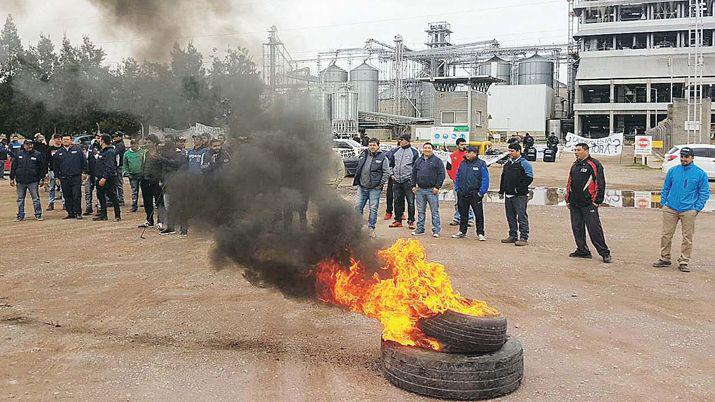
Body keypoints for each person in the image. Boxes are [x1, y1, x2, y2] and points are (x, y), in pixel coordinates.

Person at [653, 147, 710, 272]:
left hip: (689, 210)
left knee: (687, 237)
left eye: (686, 157)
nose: (683, 159)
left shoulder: (700, 174)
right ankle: (665, 258)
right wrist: (664, 203)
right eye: (682, 156)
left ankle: (684, 261)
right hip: (671, 208)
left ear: (692, 158)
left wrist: (696, 208)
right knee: (666, 235)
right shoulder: (673, 171)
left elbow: (704, 193)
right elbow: (666, 188)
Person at [565, 143, 611, 263]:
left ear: (586, 151)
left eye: (578, 150)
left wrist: (596, 201)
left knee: (594, 229)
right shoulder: (575, 165)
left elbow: (600, 183)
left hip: (588, 204)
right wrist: (568, 199)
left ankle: (604, 253)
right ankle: (582, 250)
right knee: (577, 228)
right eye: (575, 150)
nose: (576, 152)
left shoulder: (594, 164)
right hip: (574, 203)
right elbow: (569, 182)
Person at [353, 138, 390, 238]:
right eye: (370, 145)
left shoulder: (383, 157)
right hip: (362, 186)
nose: (372, 147)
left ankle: (371, 229)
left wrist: (380, 184)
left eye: (374, 145)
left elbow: (387, 172)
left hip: (374, 188)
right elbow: (359, 168)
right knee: (358, 207)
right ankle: (357, 228)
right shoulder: (364, 154)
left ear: (378, 146)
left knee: (373, 209)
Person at [499, 143, 533, 246]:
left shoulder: (525, 163)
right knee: (510, 216)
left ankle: (523, 237)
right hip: (508, 195)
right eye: (509, 150)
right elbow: (503, 177)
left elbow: (529, 178)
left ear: (518, 151)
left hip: (520, 196)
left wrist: (518, 189)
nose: (510, 153)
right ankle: (513, 235)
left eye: (512, 151)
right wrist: (502, 191)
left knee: (521, 216)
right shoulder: (507, 163)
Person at [451, 146, 489, 241]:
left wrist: (481, 192)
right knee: (463, 213)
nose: (466, 154)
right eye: (466, 152)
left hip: (475, 193)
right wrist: (457, 189)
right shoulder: (463, 163)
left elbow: (485, 179)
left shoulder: (481, 164)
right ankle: (462, 231)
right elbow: (458, 176)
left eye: (468, 152)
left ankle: (480, 233)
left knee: (478, 213)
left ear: (475, 153)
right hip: (463, 192)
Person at [412, 142, 445, 238]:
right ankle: (420, 229)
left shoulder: (437, 161)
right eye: (425, 148)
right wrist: (413, 186)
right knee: (421, 211)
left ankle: (436, 230)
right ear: (422, 149)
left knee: (434, 211)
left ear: (432, 149)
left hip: (432, 190)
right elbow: (413, 174)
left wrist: (437, 187)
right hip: (420, 190)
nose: (427, 149)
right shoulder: (418, 161)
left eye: (429, 148)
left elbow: (441, 174)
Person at [387, 134, 419, 229]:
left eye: (402, 139)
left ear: (408, 140)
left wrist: (413, 180)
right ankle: (398, 220)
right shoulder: (395, 151)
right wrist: (392, 174)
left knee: (410, 201)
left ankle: (411, 221)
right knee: (397, 201)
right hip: (397, 180)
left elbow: (416, 167)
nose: (400, 141)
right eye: (400, 139)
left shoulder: (414, 152)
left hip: (408, 181)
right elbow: (390, 164)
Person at [10, 140, 46, 221]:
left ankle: (38, 214)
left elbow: (42, 168)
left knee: (36, 199)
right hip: (20, 181)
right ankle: (20, 215)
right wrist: (12, 178)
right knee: (20, 199)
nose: (29, 146)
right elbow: (14, 166)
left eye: (31, 144)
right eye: (27, 144)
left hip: (33, 181)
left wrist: (42, 179)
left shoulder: (37, 154)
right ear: (24, 145)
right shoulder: (19, 154)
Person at [53, 134, 87, 220]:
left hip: (76, 177)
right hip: (64, 178)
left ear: (71, 140)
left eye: (67, 139)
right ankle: (70, 213)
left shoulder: (78, 150)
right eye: (64, 139)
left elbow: (84, 162)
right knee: (67, 196)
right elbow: (55, 166)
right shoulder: (59, 152)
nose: (65, 141)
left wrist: (84, 172)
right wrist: (57, 177)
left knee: (76, 195)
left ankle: (78, 213)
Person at [446, 138, 475, 227]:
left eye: (465, 144)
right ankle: (457, 218)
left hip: (468, 182)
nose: (464, 146)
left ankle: (470, 219)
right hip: (457, 182)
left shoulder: (469, 155)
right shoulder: (452, 156)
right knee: (457, 200)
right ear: (457, 145)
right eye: (462, 144)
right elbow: (448, 168)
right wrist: (453, 177)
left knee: (468, 200)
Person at [138, 135, 165, 228]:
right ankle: (149, 220)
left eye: (149, 142)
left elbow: (163, 167)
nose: (147, 144)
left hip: (156, 180)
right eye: (146, 142)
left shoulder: (160, 153)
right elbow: (143, 165)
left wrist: (162, 179)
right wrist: (141, 177)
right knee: (147, 201)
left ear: (154, 143)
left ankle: (160, 221)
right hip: (145, 180)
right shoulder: (145, 153)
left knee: (159, 201)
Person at [93, 134, 121, 222]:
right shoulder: (102, 151)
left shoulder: (110, 152)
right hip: (99, 177)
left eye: (100, 139)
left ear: (103, 141)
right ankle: (103, 215)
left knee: (112, 196)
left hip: (108, 178)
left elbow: (110, 166)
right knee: (100, 196)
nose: (98, 141)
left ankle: (117, 215)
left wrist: (104, 178)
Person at [122, 139, 145, 212]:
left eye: (134, 144)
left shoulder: (143, 152)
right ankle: (134, 206)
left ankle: (146, 203)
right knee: (134, 191)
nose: (133, 146)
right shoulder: (127, 153)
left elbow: (145, 163)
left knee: (144, 190)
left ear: (138, 144)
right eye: (132, 144)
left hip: (142, 175)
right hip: (132, 175)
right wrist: (128, 173)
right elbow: (125, 165)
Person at [45, 134, 64, 211]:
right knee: (52, 187)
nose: (59, 140)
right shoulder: (50, 149)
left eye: (60, 139)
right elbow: (47, 160)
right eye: (57, 139)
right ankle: (51, 203)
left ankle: (64, 202)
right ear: (54, 140)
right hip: (52, 170)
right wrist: (46, 171)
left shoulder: (63, 148)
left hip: (62, 170)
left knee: (63, 188)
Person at [84, 142, 100, 216]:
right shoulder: (88, 153)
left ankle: (99, 208)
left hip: (97, 174)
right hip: (89, 174)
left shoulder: (102, 153)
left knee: (99, 192)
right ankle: (88, 207)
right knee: (88, 192)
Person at [112, 132, 126, 206]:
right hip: (115, 166)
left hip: (119, 166)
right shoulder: (115, 144)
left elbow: (115, 152)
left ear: (120, 137)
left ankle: (121, 199)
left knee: (118, 183)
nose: (114, 138)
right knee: (115, 183)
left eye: (116, 136)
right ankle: (117, 198)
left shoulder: (120, 145)